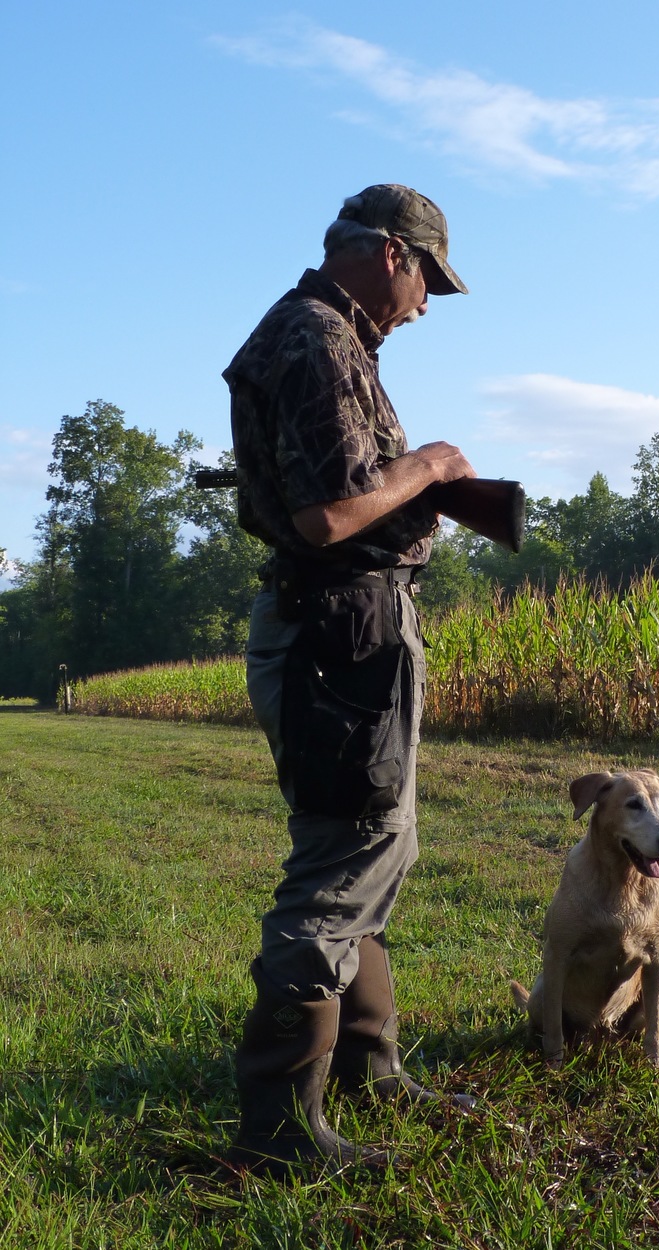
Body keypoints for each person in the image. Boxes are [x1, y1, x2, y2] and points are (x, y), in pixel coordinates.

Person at [222, 184, 477, 1176]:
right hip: (340, 631)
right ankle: (281, 1131)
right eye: (426, 282)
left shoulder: (312, 338)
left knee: (377, 844)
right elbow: (332, 513)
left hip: (338, 626)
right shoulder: (322, 342)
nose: (422, 307)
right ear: (387, 252)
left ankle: (369, 1065)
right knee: (341, 862)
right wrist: (430, 465)